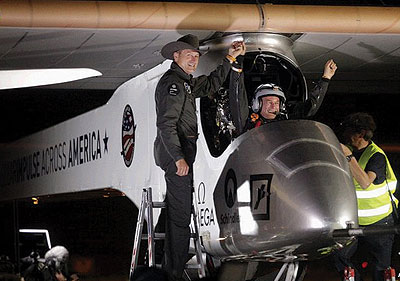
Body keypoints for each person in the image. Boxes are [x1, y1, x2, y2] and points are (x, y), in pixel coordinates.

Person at [153, 34, 245, 281]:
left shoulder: (184, 82)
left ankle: (165, 260)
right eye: (189, 55)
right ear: (176, 56)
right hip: (177, 156)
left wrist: (230, 58)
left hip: (181, 154)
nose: (194, 60)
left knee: (176, 211)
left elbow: (211, 85)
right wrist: (178, 158)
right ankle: (172, 272)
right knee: (181, 218)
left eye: (196, 56)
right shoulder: (173, 84)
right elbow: (166, 125)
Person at [333, 112, 398, 281]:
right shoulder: (351, 152)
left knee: (381, 269)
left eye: (348, 132)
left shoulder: (376, 156)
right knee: (339, 255)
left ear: (360, 134)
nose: (345, 135)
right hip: (353, 220)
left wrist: (348, 156)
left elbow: (365, 182)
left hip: (380, 223)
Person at [229, 58, 337, 133]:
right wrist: (237, 66)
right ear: (257, 104)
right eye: (269, 102)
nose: (273, 107)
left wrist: (326, 77)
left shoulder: (286, 120)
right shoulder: (246, 121)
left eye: (276, 103)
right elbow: (238, 97)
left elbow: (310, 107)